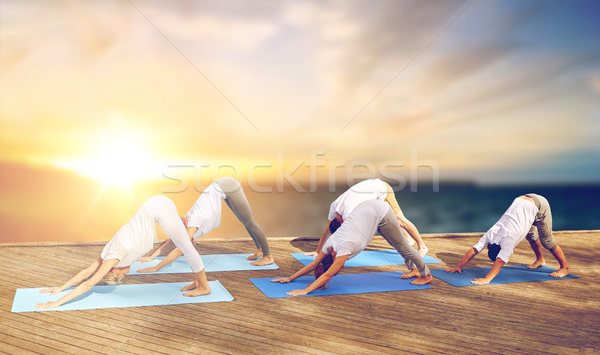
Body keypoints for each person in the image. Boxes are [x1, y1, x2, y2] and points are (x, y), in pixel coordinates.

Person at [35, 195, 211, 309]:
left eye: (121, 276)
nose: (126, 274)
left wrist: (56, 303)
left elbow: (88, 282)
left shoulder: (113, 259)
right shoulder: (106, 253)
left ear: (114, 270)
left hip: (157, 209)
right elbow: (85, 272)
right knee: (185, 242)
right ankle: (197, 279)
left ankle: (204, 286)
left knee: (186, 246)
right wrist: (59, 288)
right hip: (155, 205)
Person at [272, 199, 432, 296]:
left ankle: (425, 275)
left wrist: (305, 291)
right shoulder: (331, 243)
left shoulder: (344, 247)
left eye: (336, 266)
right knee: (397, 245)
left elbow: (327, 276)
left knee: (402, 246)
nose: (338, 269)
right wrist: (290, 278)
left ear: (333, 258)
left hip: (380, 211)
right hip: (366, 213)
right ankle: (414, 269)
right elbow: (314, 264)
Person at [137, 177, 273, 273]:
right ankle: (259, 250)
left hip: (227, 186)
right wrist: (151, 257)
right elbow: (173, 241)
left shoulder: (194, 220)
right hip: (220, 188)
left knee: (250, 222)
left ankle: (267, 256)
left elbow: (180, 249)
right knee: (245, 222)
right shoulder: (187, 221)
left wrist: (156, 267)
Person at [445, 193, 570, 285]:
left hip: (540, 204)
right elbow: (474, 249)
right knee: (531, 235)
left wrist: (487, 279)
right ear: (490, 246)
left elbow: (500, 261)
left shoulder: (508, 239)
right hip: (522, 199)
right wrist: (459, 266)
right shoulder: (491, 233)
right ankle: (540, 260)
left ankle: (565, 268)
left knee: (547, 241)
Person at [310, 178, 428, 258]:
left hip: (381, 189)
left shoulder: (348, 212)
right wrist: (318, 251)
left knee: (401, 220)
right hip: (370, 191)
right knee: (392, 219)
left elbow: (359, 236)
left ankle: (422, 246)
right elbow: (327, 230)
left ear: (340, 222)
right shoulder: (334, 208)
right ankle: (408, 239)